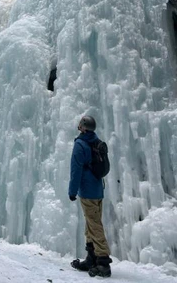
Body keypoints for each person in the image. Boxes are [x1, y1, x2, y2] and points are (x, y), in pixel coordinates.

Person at [69, 115, 112, 277]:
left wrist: (72, 191)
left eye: (80, 123)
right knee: (90, 223)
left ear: (83, 127)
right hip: (98, 189)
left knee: (94, 225)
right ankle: (91, 257)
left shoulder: (80, 145)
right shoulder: (95, 140)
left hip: (87, 191)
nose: (78, 124)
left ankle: (103, 261)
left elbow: (76, 170)